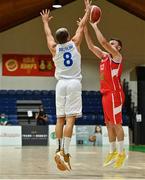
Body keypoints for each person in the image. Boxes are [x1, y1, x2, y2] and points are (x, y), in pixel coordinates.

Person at [40, 0, 91, 171]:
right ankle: (65, 153)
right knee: (70, 120)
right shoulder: (75, 42)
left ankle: (58, 148)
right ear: (68, 37)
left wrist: (45, 21)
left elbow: (47, 35)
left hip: (60, 84)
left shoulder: (54, 47)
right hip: (74, 83)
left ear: (57, 39)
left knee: (60, 119)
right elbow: (82, 26)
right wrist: (87, 11)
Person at [84, 19, 126, 168]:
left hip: (115, 94)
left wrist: (94, 26)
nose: (110, 44)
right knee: (108, 124)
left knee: (116, 123)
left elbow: (103, 42)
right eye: (111, 43)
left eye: (113, 43)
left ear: (118, 48)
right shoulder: (104, 57)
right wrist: (84, 28)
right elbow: (90, 46)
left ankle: (122, 153)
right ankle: (112, 151)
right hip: (106, 95)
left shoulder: (117, 57)